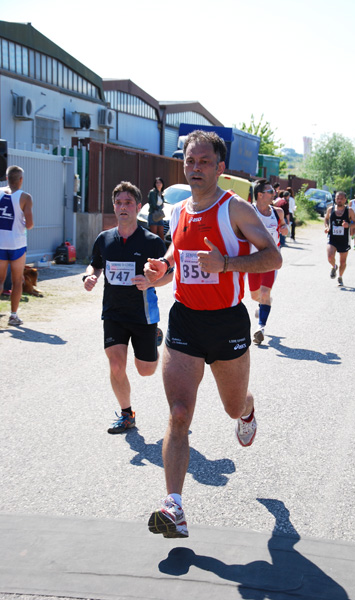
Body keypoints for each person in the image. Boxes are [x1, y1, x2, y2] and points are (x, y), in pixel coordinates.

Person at [144, 130, 282, 538]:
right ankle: (174, 507)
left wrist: (227, 265)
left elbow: (272, 256)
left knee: (230, 406)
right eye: (190, 161)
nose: (196, 168)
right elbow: (176, 258)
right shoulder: (178, 210)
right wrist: (160, 271)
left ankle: (246, 408)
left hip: (227, 324)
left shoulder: (234, 209)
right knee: (179, 413)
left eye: (205, 162)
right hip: (185, 320)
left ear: (220, 168)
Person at [83, 181, 172, 434]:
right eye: (119, 203)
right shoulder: (104, 239)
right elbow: (95, 264)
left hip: (143, 314)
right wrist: (90, 276)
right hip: (113, 312)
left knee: (146, 370)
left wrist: (152, 280)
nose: (123, 207)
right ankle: (126, 414)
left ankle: (155, 337)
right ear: (114, 207)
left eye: (129, 203)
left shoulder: (152, 241)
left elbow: (170, 275)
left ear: (139, 207)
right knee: (115, 365)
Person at [249, 179, 288, 345]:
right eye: (271, 191)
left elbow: (285, 227)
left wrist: (284, 228)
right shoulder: (249, 211)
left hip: (271, 259)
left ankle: (260, 328)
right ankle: (262, 304)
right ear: (260, 194)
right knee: (255, 295)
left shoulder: (277, 212)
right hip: (252, 260)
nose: (274, 194)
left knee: (265, 293)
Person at [0, 165, 34, 326]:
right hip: (17, 244)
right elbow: (30, 224)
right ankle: (13, 316)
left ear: (6, 178)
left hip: (0, 243)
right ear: (21, 180)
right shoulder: (25, 197)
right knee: (16, 280)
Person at [324, 191, 355, 286]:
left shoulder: (349, 210)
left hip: (344, 240)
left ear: (345, 200)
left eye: (342, 198)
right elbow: (326, 219)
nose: (339, 200)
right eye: (338, 198)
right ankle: (334, 266)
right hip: (332, 238)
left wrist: (349, 225)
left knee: (343, 262)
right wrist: (326, 227)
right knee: (330, 257)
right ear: (335, 199)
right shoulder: (331, 209)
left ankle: (340, 277)